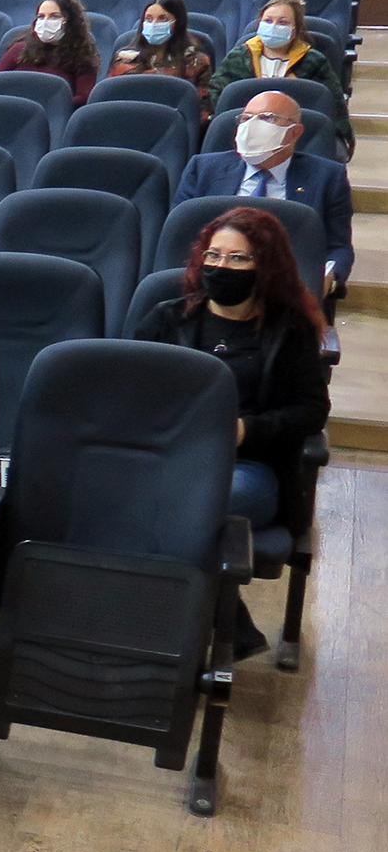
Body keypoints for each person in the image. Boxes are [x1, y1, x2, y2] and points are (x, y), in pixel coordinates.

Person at [133, 207, 327, 659]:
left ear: (265, 266)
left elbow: (311, 411)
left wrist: (247, 430)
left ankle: (162, 631)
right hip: (172, 458)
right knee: (155, 500)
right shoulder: (167, 319)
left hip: (250, 467)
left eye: (238, 258)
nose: (222, 266)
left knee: (186, 506)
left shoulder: (287, 329)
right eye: (214, 255)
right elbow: (130, 392)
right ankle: (226, 626)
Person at [173, 90, 354, 289]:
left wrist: (328, 278)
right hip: (214, 279)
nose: (252, 126)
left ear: (295, 132)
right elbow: (179, 237)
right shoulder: (202, 169)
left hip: (288, 287)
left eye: (267, 118)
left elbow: (339, 247)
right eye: (246, 118)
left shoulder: (328, 177)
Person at [209, 0, 352, 149]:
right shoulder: (238, 57)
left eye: (282, 23)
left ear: (296, 29)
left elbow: (334, 103)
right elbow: (216, 95)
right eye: (268, 21)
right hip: (243, 135)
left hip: (297, 139)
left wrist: (344, 138)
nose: (274, 27)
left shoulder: (314, 61)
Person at [108, 0, 215, 119]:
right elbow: (108, 101)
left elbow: (202, 114)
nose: (154, 24)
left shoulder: (196, 62)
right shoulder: (124, 60)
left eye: (162, 19)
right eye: (148, 19)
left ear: (178, 22)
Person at [0, 0, 100, 107]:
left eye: (54, 16)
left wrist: (51, 104)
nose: (45, 22)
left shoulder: (83, 57)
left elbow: (83, 98)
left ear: (70, 21)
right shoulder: (19, 49)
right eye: (41, 16)